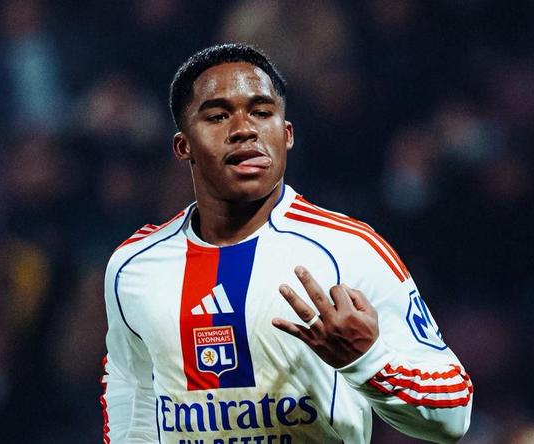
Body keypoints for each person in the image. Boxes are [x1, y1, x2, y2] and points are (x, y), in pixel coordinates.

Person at [101, 43, 473, 444]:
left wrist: (368, 361)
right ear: (183, 145)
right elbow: (132, 397)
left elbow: (454, 414)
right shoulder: (134, 265)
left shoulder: (348, 249)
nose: (244, 129)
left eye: (262, 113)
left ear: (287, 134)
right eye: (218, 116)